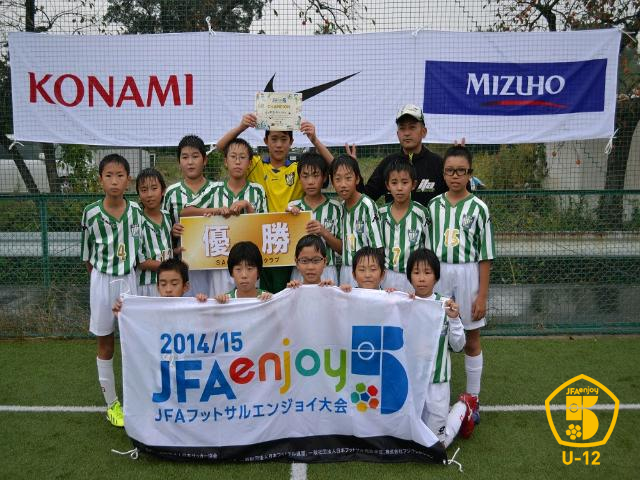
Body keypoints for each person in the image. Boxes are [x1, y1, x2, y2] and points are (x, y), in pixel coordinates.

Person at [215, 113, 334, 294]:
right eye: (274, 139)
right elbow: (221, 147)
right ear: (266, 141)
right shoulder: (255, 164)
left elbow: (334, 166)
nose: (279, 144)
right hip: (261, 242)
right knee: (264, 295)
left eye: (284, 139)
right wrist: (242, 127)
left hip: (289, 242)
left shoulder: (298, 169)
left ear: (291, 142)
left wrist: (314, 140)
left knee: (288, 294)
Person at [426, 145, 495, 425]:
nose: (455, 176)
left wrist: (482, 296)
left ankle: (472, 397)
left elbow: (486, 255)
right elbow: (426, 249)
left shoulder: (479, 208)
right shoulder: (434, 206)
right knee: (436, 337)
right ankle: (433, 394)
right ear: (443, 174)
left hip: (468, 274)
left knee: (471, 338)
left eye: (461, 171)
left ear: (470, 174)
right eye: (450, 171)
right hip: (439, 273)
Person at [80, 154, 143, 428]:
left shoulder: (137, 211)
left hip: (129, 281)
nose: (114, 181)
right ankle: (112, 404)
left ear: (128, 180)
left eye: (120, 175)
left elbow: (140, 251)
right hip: (102, 280)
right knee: (105, 342)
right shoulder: (91, 212)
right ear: (100, 180)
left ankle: (137, 398)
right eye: (109, 175)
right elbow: (86, 256)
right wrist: (100, 280)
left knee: (133, 343)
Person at [180, 138, 268, 296]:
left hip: (248, 263)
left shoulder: (257, 190)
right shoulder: (215, 189)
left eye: (242, 157)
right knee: (221, 302)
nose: (237, 162)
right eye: (233, 157)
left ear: (249, 163)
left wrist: (248, 206)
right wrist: (215, 211)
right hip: (219, 261)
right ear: (226, 162)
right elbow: (185, 211)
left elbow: (264, 226)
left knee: (247, 302)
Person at [406, 248, 475, 446]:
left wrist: (454, 319)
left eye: (427, 272)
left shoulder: (445, 305)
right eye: (416, 272)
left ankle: (463, 406)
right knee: (411, 440)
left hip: (438, 382)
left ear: (436, 276)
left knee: (438, 446)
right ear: (409, 276)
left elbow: (459, 345)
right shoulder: (404, 303)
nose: (421, 278)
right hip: (412, 382)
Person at [363, 104, 447, 208]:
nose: (407, 133)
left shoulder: (438, 163)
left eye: (412, 127)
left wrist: (458, 164)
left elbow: (456, 196)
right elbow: (366, 197)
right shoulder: (388, 163)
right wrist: (354, 172)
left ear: (424, 132)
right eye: (402, 128)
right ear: (397, 134)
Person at [163, 135, 215, 297]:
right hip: (183, 264)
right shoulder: (172, 193)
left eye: (195, 156)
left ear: (205, 160)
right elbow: (162, 229)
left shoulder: (217, 189)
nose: (190, 162)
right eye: (185, 157)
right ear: (179, 162)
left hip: (214, 263)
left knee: (212, 304)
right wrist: (172, 232)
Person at [287, 152, 342, 284]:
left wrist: (323, 232)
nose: (310, 182)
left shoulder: (336, 207)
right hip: (300, 270)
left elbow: (341, 248)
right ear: (299, 178)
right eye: (305, 176)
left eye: (316, 175)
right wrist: (288, 219)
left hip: (327, 270)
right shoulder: (293, 207)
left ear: (324, 177)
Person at [331, 155, 384, 287]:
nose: (343, 184)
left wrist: (371, 273)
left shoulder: (367, 205)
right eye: (338, 179)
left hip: (365, 273)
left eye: (348, 178)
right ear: (332, 182)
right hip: (345, 271)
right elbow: (341, 247)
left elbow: (378, 248)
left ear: (357, 179)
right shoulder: (340, 208)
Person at [379, 158, 430, 293]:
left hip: (413, 276)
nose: (399, 188)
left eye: (405, 182)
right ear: (388, 185)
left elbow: (428, 247)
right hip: (387, 275)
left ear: (414, 184)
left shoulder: (421, 213)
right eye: (394, 183)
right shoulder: (381, 214)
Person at [135, 168, 176, 297]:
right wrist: (171, 267)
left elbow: (163, 248)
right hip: (146, 284)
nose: (149, 194)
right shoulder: (136, 220)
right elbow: (141, 262)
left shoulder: (167, 216)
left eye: (154, 188)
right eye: (144, 190)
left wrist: (177, 252)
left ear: (163, 191)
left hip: (169, 282)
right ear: (138, 193)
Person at [113, 258, 208, 313]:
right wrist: (123, 312)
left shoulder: (193, 308)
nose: (168, 289)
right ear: (158, 287)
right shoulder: (150, 311)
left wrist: (206, 304)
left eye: (174, 284)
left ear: (185, 286)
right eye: (163, 284)